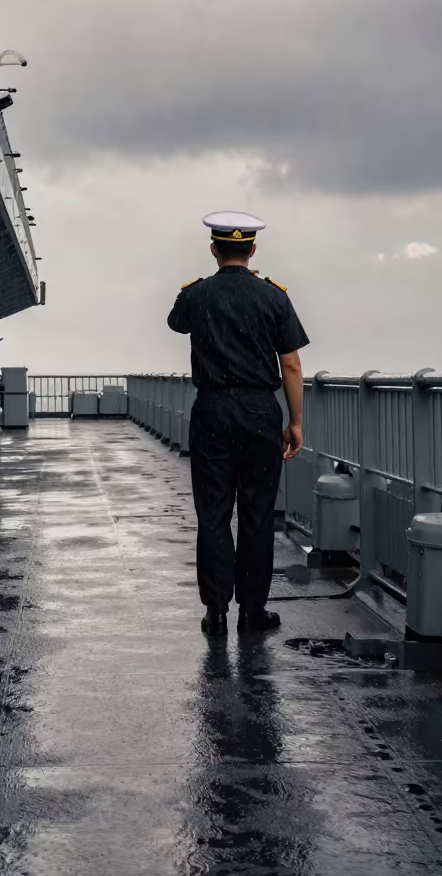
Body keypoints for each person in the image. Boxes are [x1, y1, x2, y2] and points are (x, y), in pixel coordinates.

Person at [167, 210, 309, 636]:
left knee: (212, 514)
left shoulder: (195, 296)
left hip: (211, 410)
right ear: (252, 249)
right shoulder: (273, 297)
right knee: (257, 513)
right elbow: (292, 365)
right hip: (260, 413)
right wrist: (296, 421)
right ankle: (251, 611)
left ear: (214, 249)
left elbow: (176, 323)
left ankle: (216, 612)